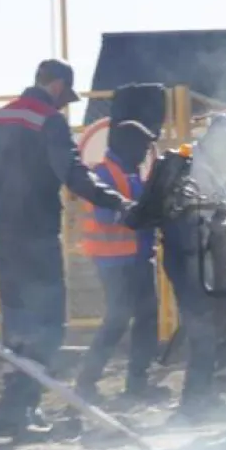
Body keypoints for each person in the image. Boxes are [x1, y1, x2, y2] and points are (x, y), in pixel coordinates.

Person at [0, 59, 136, 441]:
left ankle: (20, 409)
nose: (64, 104)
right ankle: (13, 410)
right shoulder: (47, 119)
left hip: (1, 234)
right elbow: (71, 173)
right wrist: (116, 200)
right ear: (58, 86)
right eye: (65, 96)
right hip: (35, 234)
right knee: (49, 324)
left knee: (17, 324)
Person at [160, 112, 226, 424]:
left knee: (208, 326)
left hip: (194, 256)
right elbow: (206, 214)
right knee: (202, 331)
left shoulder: (196, 157)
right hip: (190, 257)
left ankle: (204, 397)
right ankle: (192, 406)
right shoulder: (196, 165)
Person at [73, 120, 170, 405]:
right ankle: (87, 381)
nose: (145, 152)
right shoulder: (103, 174)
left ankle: (137, 383)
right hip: (114, 261)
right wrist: (142, 213)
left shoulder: (130, 174)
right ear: (125, 145)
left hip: (137, 258)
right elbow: (107, 216)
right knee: (117, 320)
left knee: (145, 319)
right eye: (142, 146)